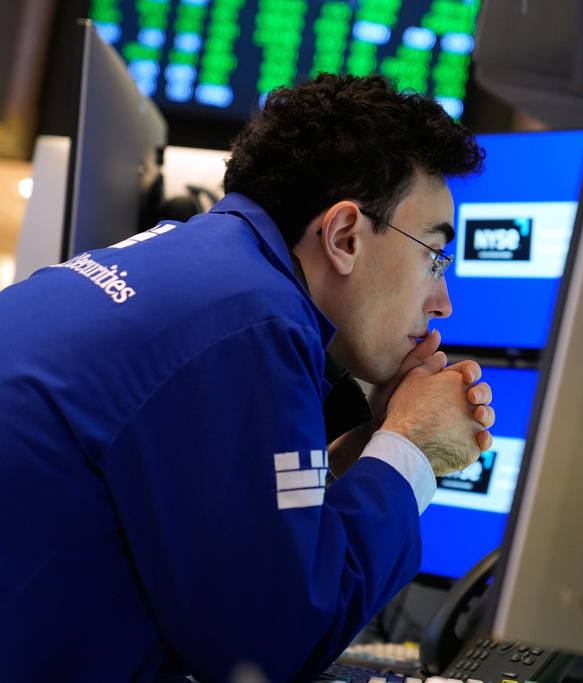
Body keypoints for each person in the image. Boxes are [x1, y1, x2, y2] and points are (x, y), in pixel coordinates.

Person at [0, 74, 492, 682]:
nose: (442, 301)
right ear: (344, 237)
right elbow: (267, 649)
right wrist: (411, 449)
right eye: (433, 255)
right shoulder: (254, 322)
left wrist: (363, 451)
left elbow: (225, 542)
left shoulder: (201, 273)